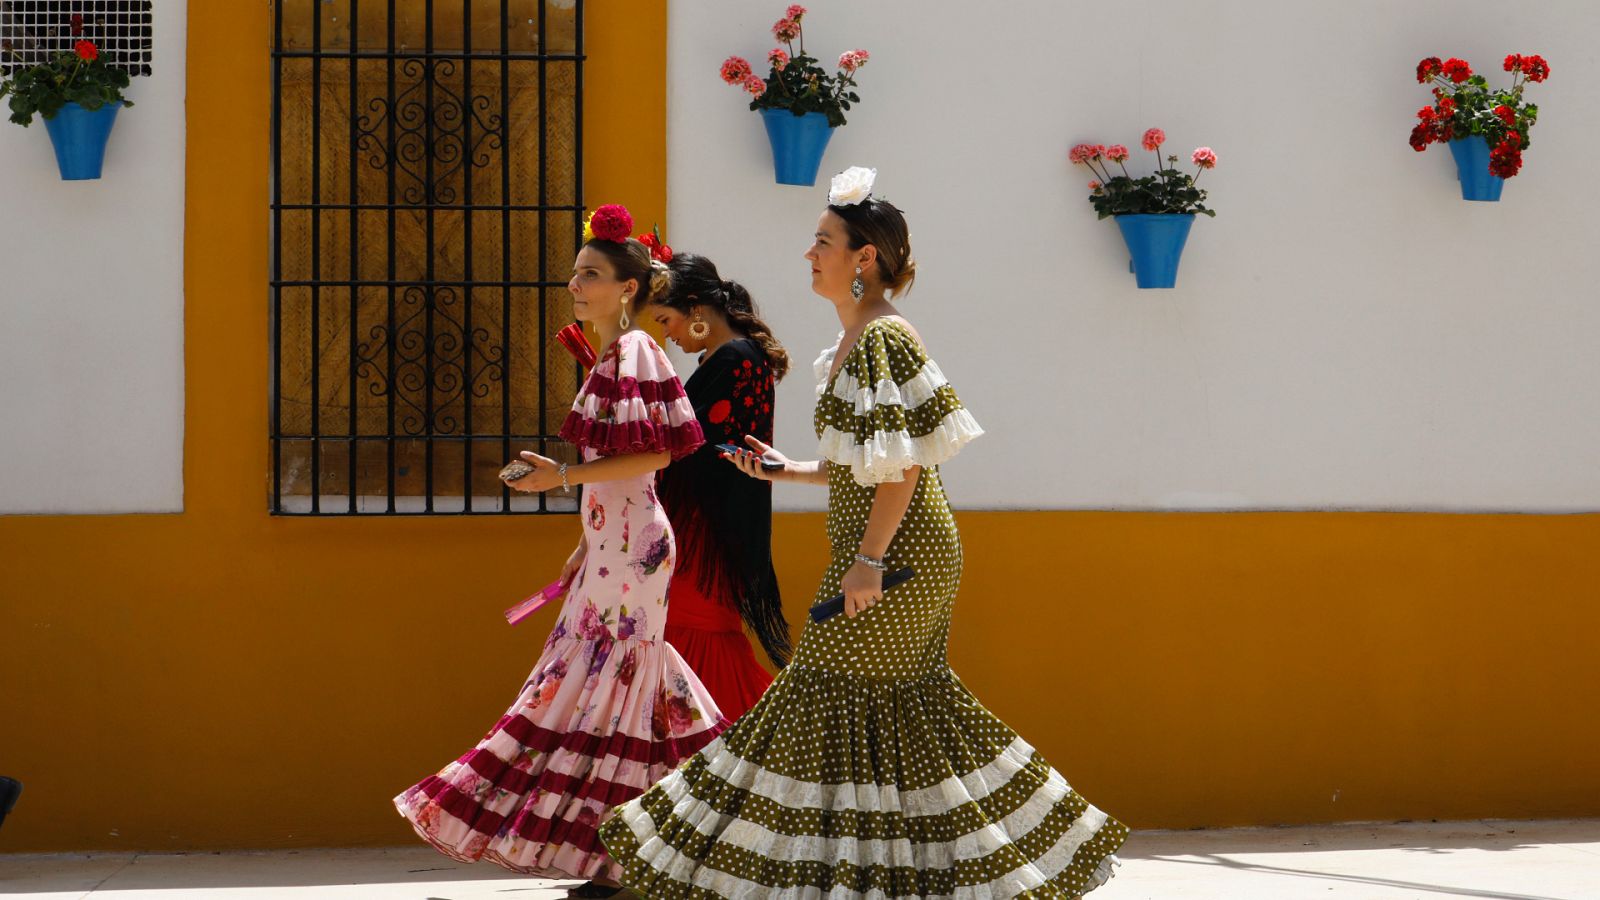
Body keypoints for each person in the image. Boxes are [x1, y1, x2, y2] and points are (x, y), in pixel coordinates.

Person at [600, 169, 1127, 898]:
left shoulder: (881, 338)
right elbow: (868, 463)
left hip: (898, 557)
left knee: (822, 700)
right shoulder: (857, 339)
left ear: (865, 258)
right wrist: (788, 471)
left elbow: (902, 469)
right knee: (903, 713)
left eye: (823, 242)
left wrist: (870, 560)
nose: (809, 254)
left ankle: (822, 874)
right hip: (893, 553)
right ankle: (939, 873)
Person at [395, 204, 725, 900]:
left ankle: (623, 847)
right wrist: (584, 538)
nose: (577, 284)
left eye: (593, 274)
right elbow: (630, 464)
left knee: (608, 685)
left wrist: (562, 477)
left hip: (633, 549)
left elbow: (657, 451)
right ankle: (662, 837)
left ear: (628, 288)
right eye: (577, 273)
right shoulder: (611, 352)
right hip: (617, 546)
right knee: (619, 685)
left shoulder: (634, 350)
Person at [647, 251, 792, 719]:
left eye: (666, 319)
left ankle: (761, 752)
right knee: (691, 649)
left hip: (705, 536)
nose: (665, 333)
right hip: (705, 531)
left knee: (699, 646)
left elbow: (702, 448)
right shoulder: (732, 357)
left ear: (696, 308)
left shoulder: (736, 358)